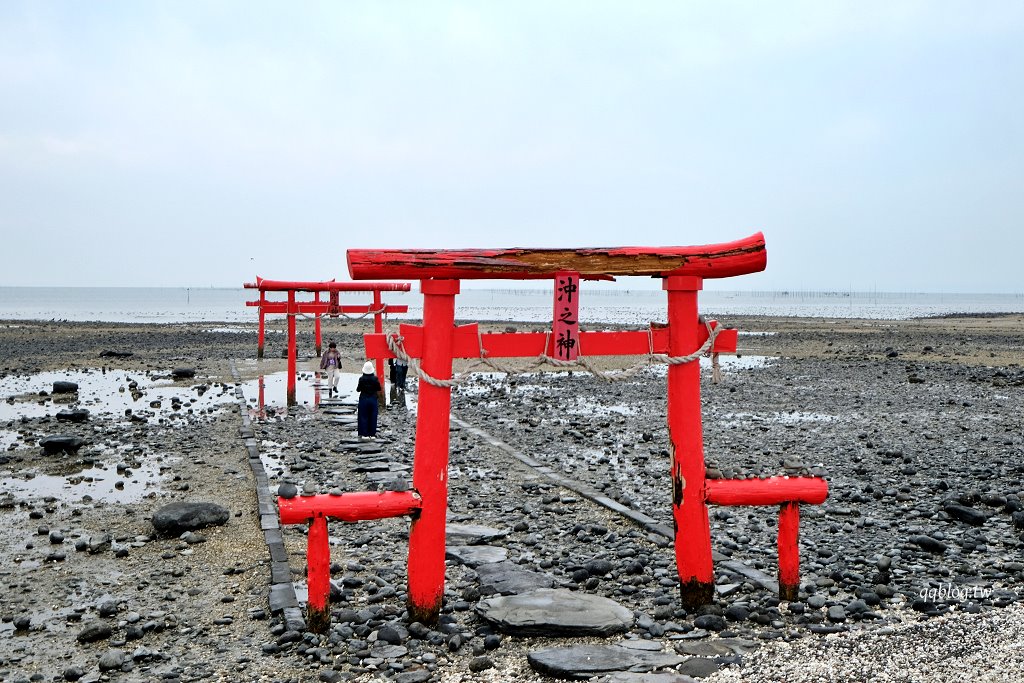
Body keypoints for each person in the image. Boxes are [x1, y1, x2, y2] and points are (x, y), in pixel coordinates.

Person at [356, 361, 381, 439]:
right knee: (373, 416)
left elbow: (358, 389)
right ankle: (372, 434)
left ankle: (364, 434)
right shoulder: (375, 379)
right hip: (373, 399)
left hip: (363, 399)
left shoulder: (361, 379)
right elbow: (378, 388)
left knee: (363, 416)